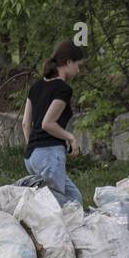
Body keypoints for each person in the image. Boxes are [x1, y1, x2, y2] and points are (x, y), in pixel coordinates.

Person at [23, 40, 86, 205]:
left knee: (75, 200)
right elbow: (48, 124)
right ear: (69, 62)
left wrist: (34, 146)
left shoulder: (36, 86)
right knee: (56, 207)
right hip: (50, 154)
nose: (78, 71)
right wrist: (70, 138)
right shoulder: (63, 89)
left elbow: (25, 124)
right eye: (78, 65)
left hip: (31, 156)